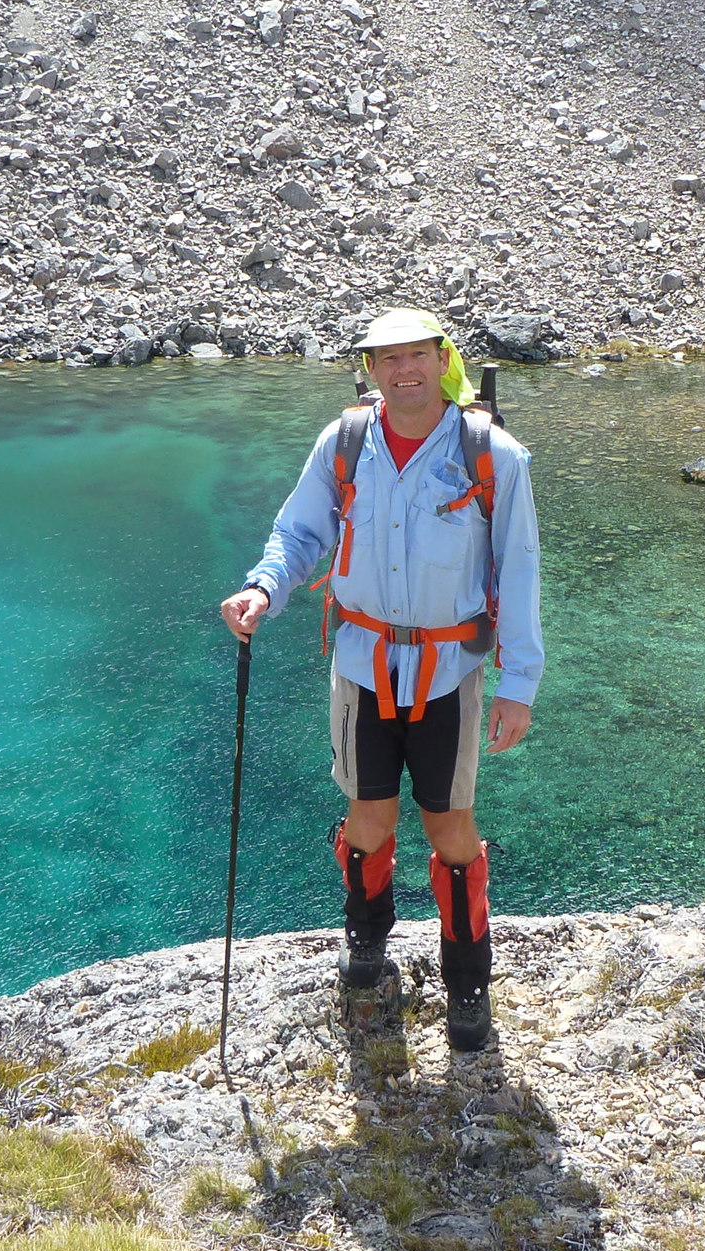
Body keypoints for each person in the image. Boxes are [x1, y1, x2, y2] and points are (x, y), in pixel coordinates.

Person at [219, 308, 544, 1053]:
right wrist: (264, 588)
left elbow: (519, 569)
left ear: (442, 360)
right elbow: (302, 533)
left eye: (417, 356)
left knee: (450, 826)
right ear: (370, 368)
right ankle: (366, 940)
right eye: (386, 359)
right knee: (368, 818)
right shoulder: (345, 444)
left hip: (450, 673)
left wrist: (519, 682)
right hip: (361, 666)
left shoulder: (494, 456)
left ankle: (468, 979)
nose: (403, 371)